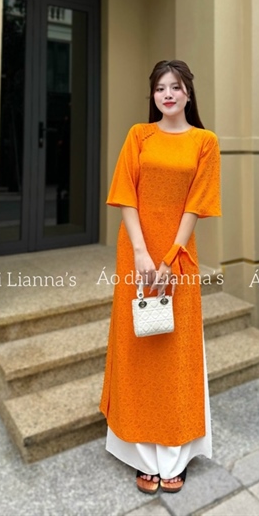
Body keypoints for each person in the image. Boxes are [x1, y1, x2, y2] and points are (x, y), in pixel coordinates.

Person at [99, 59, 221, 494]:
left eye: (175, 87)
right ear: (153, 95)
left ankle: (174, 456)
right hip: (135, 254)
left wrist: (169, 259)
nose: (167, 94)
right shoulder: (139, 135)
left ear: (188, 93)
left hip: (179, 259)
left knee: (174, 350)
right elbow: (125, 194)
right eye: (160, 88)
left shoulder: (205, 142)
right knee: (137, 345)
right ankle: (140, 454)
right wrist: (140, 253)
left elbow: (196, 204)